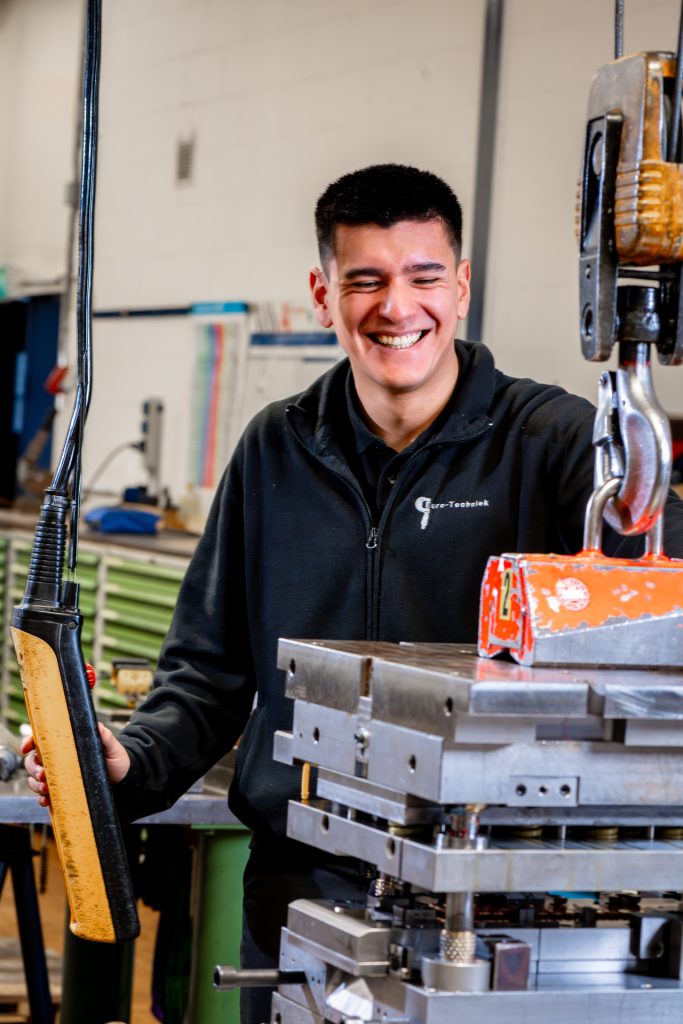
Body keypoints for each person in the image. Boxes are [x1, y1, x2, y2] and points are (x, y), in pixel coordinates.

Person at [24, 163, 683, 1023]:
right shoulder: (275, 449)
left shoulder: (554, 443)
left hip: (500, 900)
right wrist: (133, 760)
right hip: (301, 885)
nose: (395, 307)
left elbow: (648, 616)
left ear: (462, 286)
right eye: (363, 280)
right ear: (321, 293)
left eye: (422, 276)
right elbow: (208, 673)